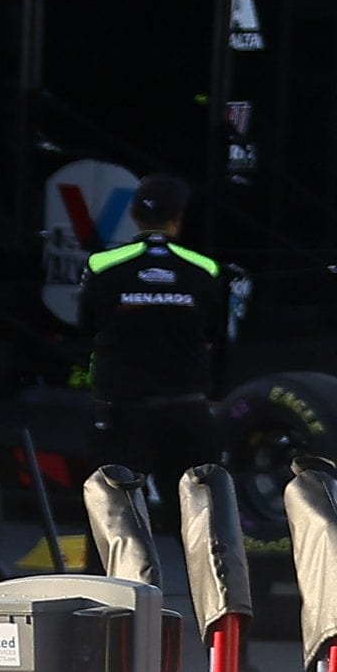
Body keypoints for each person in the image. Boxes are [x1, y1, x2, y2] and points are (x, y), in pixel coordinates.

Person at [76, 172, 231, 502]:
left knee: (113, 517)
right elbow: (212, 336)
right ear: (178, 218)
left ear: (134, 215)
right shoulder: (205, 268)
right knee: (200, 519)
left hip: (123, 413)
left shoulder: (101, 264)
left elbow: (88, 329)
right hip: (187, 410)